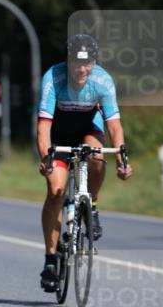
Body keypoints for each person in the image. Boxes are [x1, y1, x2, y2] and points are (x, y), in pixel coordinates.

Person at [36, 33, 132, 292]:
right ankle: (50, 260)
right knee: (56, 191)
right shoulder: (53, 78)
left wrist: (123, 159)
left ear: (94, 61)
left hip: (88, 129)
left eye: (87, 63)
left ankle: (93, 203)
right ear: (67, 61)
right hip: (58, 133)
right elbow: (43, 129)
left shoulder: (102, 80)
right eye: (76, 63)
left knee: (97, 154)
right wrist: (46, 158)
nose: (81, 69)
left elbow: (114, 125)